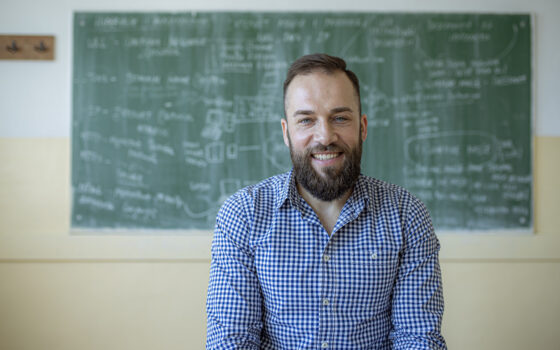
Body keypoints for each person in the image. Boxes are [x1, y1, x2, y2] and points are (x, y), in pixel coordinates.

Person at [206, 53, 447, 349]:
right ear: (286, 132)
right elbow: (232, 341)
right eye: (306, 120)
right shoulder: (244, 214)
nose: (325, 136)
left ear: (363, 127)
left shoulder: (406, 215)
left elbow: (418, 339)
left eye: (340, 118)